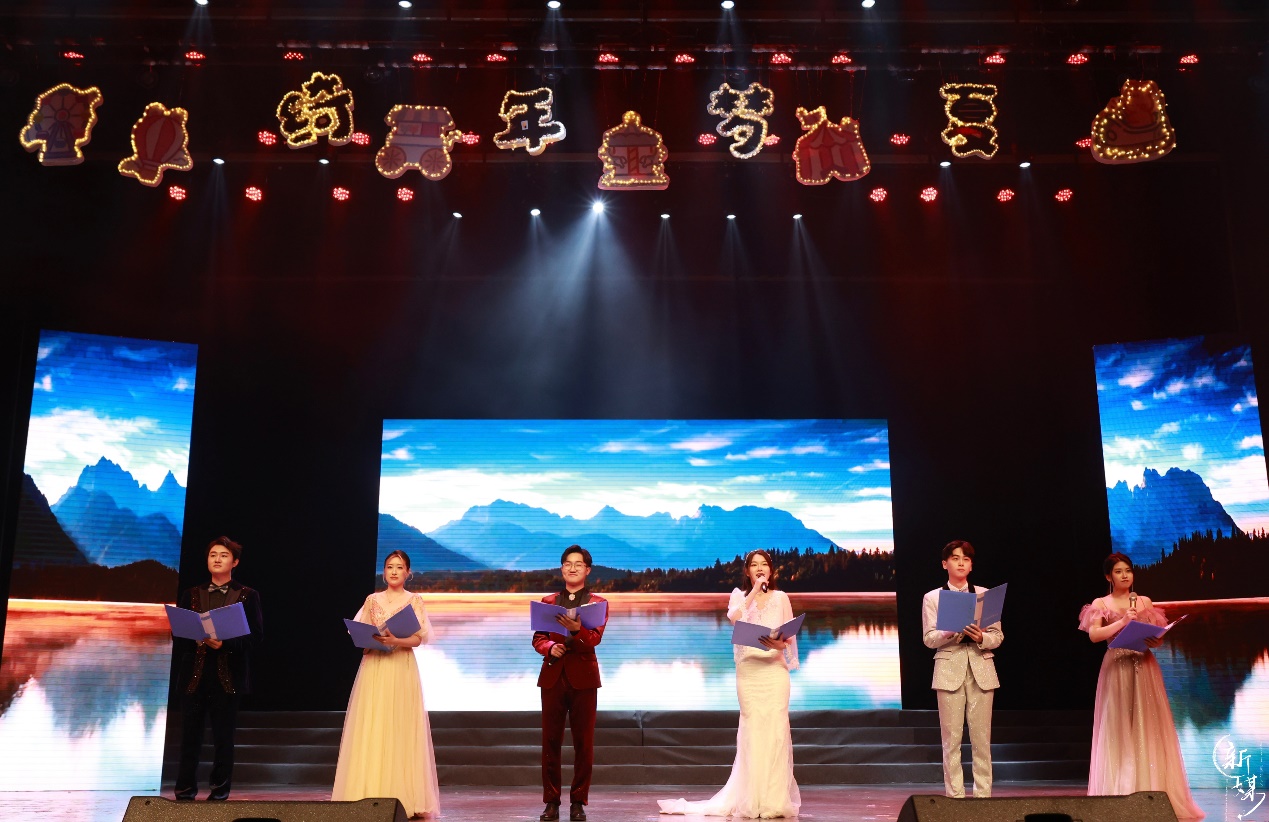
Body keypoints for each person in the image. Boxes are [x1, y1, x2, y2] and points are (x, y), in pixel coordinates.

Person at [659, 549, 801, 819]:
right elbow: (734, 617)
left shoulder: (781, 597)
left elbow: (789, 639)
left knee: (776, 732)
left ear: (771, 570)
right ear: (747, 571)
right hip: (749, 673)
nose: (760, 569)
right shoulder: (739, 596)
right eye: (754, 565)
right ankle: (751, 799)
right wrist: (754, 591)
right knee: (753, 731)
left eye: (764, 565)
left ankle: (773, 800)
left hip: (774, 671)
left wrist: (779, 644)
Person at [1078, 553, 1204, 820]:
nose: (1125, 575)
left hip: (1144, 665)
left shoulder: (1144, 601)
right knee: (1119, 726)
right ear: (1108, 576)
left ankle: (1151, 789)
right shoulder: (1101, 603)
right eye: (1118, 571)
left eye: (1128, 570)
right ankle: (1120, 791)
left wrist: (1156, 640)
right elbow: (1094, 635)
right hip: (1117, 666)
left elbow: (1156, 635)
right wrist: (1122, 622)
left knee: (1148, 725)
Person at [332, 550, 440, 819]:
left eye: (399, 567)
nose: (394, 571)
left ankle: (403, 796)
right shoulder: (372, 600)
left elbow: (418, 639)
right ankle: (367, 792)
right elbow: (360, 633)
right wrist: (369, 641)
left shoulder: (414, 600)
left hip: (401, 667)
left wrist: (396, 641)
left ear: (408, 573)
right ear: (384, 571)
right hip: (375, 667)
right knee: (374, 724)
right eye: (390, 566)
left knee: (400, 726)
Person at [173, 536, 264, 801]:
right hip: (194, 675)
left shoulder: (248, 595)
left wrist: (225, 643)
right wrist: (193, 636)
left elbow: (256, 637)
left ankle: (220, 790)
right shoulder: (191, 594)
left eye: (223, 555)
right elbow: (178, 634)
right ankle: (185, 790)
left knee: (223, 738)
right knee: (190, 737)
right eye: (213, 554)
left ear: (235, 562)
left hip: (228, 676)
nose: (217, 559)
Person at [533, 545, 609, 822]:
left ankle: (578, 802)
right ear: (562, 568)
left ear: (587, 570)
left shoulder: (597, 603)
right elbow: (538, 638)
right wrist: (550, 647)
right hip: (553, 676)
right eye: (568, 563)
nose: (572, 568)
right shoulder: (548, 602)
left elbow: (594, 639)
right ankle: (551, 803)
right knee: (550, 743)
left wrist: (578, 631)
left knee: (583, 744)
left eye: (578, 564)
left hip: (584, 679)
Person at [921, 539, 1002, 799]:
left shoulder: (984, 595)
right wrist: (948, 630)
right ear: (945, 564)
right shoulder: (933, 597)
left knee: (981, 739)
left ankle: (983, 797)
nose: (961, 563)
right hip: (949, 669)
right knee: (951, 739)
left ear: (971, 565)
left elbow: (997, 637)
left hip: (981, 669)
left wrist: (981, 637)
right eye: (955, 558)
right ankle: (955, 796)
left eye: (966, 559)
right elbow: (928, 639)